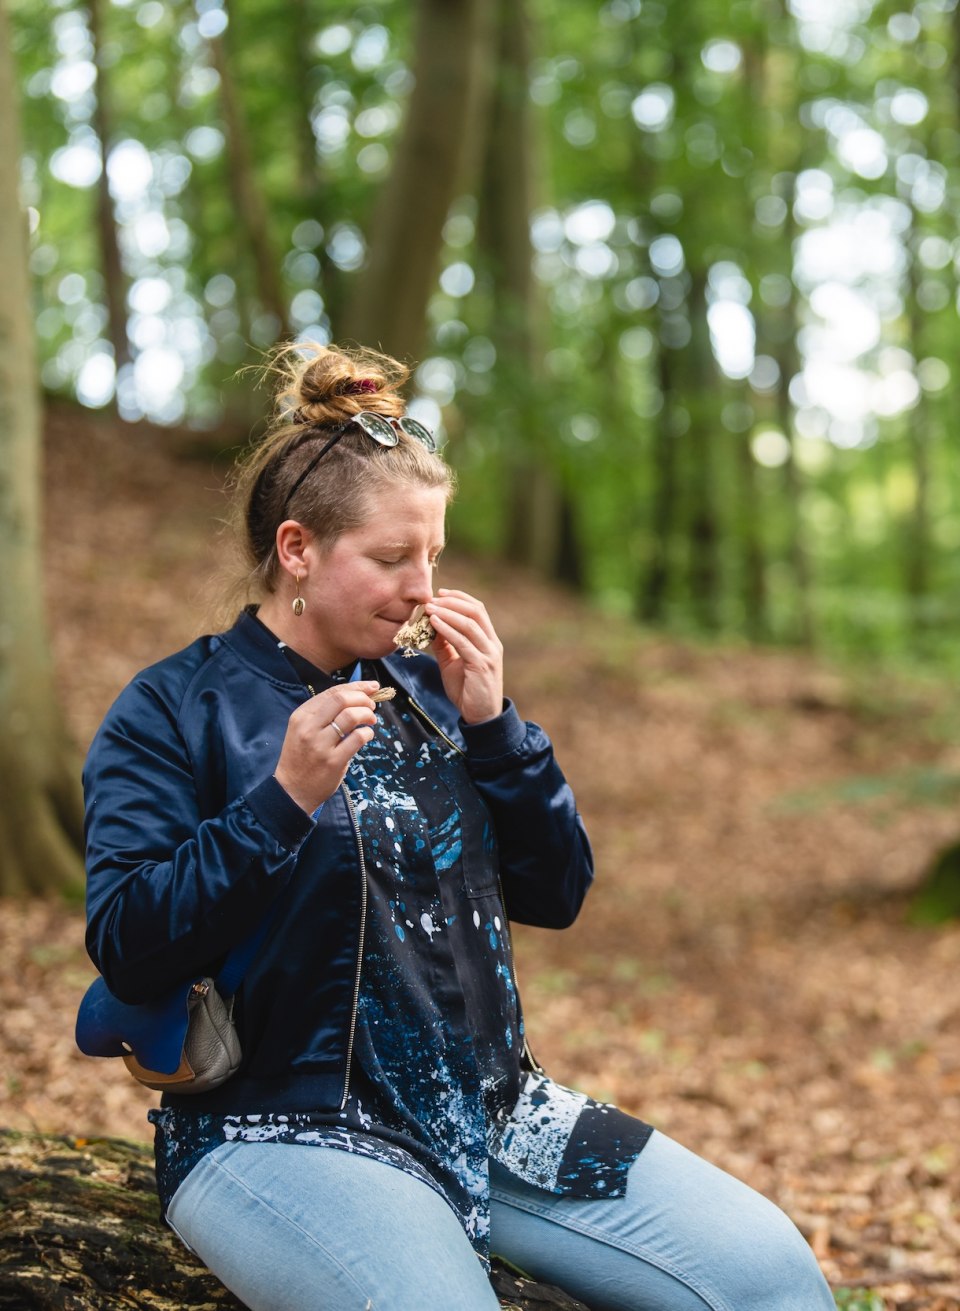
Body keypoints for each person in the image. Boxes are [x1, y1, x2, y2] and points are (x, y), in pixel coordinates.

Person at [82, 343, 835, 1311]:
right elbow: (128, 948)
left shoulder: (433, 696)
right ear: (298, 549)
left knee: (770, 1275)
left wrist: (497, 731)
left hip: (495, 1115)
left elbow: (557, 893)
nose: (422, 588)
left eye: (433, 554)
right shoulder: (173, 708)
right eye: (393, 559)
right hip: (279, 1129)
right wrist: (281, 803)